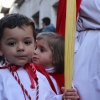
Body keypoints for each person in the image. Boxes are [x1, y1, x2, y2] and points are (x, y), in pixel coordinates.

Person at [0, 13, 77, 100]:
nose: (20, 48)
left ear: (35, 45)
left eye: (27, 42)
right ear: (1, 48)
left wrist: (63, 98)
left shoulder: (40, 74)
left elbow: (49, 97)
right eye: (12, 43)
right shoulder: (2, 77)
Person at [33, 32, 79, 99]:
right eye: (34, 48)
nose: (34, 52)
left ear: (55, 58)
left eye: (42, 50)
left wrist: (71, 96)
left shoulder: (65, 80)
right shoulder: (29, 71)